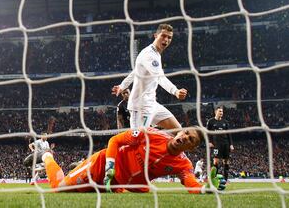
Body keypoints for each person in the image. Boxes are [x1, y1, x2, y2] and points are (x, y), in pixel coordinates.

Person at [41, 127, 224, 193]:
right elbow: (115, 140)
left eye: (190, 139)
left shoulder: (184, 164)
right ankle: (46, 155)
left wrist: (205, 189)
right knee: (60, 189)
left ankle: (78, 167)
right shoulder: (150, 134)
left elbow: (190, 183)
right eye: (185, 132)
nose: (184, 137)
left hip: (116, 184)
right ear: (180, 131)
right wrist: (110, 166)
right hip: (102, 165)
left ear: (191, 147)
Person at [111, 23, 188, 130]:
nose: (166, 39)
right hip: (140, 107)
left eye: (169, 37)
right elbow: (159, 77)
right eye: (163, 36)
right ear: (155, 35)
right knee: (139, 141)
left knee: (178, 131)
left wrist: (122, 85)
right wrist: (175, 91)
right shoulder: (150, 55)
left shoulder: (155, 53)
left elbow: (135, 72)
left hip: (152, 104)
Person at [206, 106, 234, 181]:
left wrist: (231, 144)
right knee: (216, 161)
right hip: (216, 144)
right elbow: (207, 133)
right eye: (220, 111)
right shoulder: (211, 121)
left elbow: (229, 134)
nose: (221, 113)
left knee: (226, 161)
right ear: (216, 112)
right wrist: (209, 142)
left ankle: (226, 179)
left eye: (222, 111)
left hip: (226, 144)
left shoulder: (225, 122)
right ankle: (213, 179)